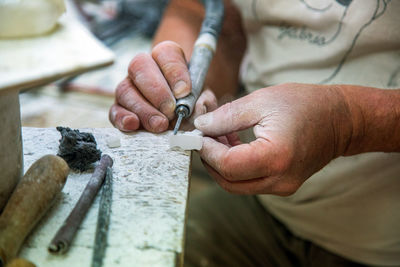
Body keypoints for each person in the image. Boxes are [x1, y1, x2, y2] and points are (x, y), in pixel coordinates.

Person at [109, 0, 400, 266]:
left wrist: (348, 122)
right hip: (265, 205)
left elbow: (347, 121)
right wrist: (178, 79)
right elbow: (208, 12)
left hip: (383, 240)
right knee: (133, 253)